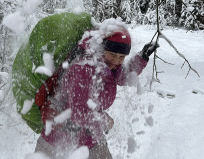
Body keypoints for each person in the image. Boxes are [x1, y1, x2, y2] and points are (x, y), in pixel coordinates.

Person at [34, 18, 158, 159]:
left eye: (122, 56)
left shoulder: (105, 63)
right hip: (57, 143)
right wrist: (105, 121)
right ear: (102, 48)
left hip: (90, 139)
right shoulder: (83, 68)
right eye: (113, 54)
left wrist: (142, 57)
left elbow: (122, 76)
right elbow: (79, 112)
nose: (117, 61)